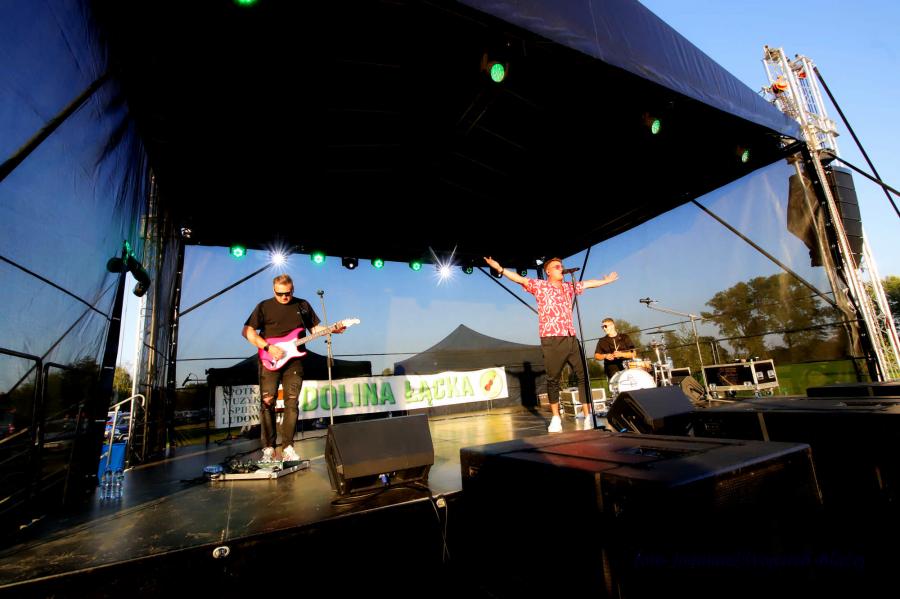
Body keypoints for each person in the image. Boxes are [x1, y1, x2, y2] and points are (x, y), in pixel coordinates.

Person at [484, 256, 619, 432]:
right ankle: (556, 418)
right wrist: (500, 269)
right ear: (548, 271)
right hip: (552, 338)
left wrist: (605, 281)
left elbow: (588, 283)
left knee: (583, 377)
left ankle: (588, 417)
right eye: (557, 266)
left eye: (561, 266)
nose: (560, 268)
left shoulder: (569, 287)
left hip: (571, 337)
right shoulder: (540, 286)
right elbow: (519, 279)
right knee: (553, 379)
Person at [242, 274, 344, 462]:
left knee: (292, 403)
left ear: (293, 289)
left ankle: (288, 447)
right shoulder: (264, 306)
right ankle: (268, 448)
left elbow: (314, 329)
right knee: (267, 403)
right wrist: (268, 347)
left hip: (295, 362)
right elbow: (247, 331)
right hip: (270, 359)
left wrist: (332, 329)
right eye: (280, 294)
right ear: (273, 290)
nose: (284, 297)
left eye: (287, 293)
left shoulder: (302, 305)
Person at [593, 318, 637, 383]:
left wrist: (621, 354)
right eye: (602, 327)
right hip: (611, 370)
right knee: (615, 385)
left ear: (612, 325)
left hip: (627, 367)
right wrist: (605, 356)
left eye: (605, 326)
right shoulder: (602, 341)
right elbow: (596, 356)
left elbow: (634, 353)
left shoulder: (625, 337)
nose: (604, 328)